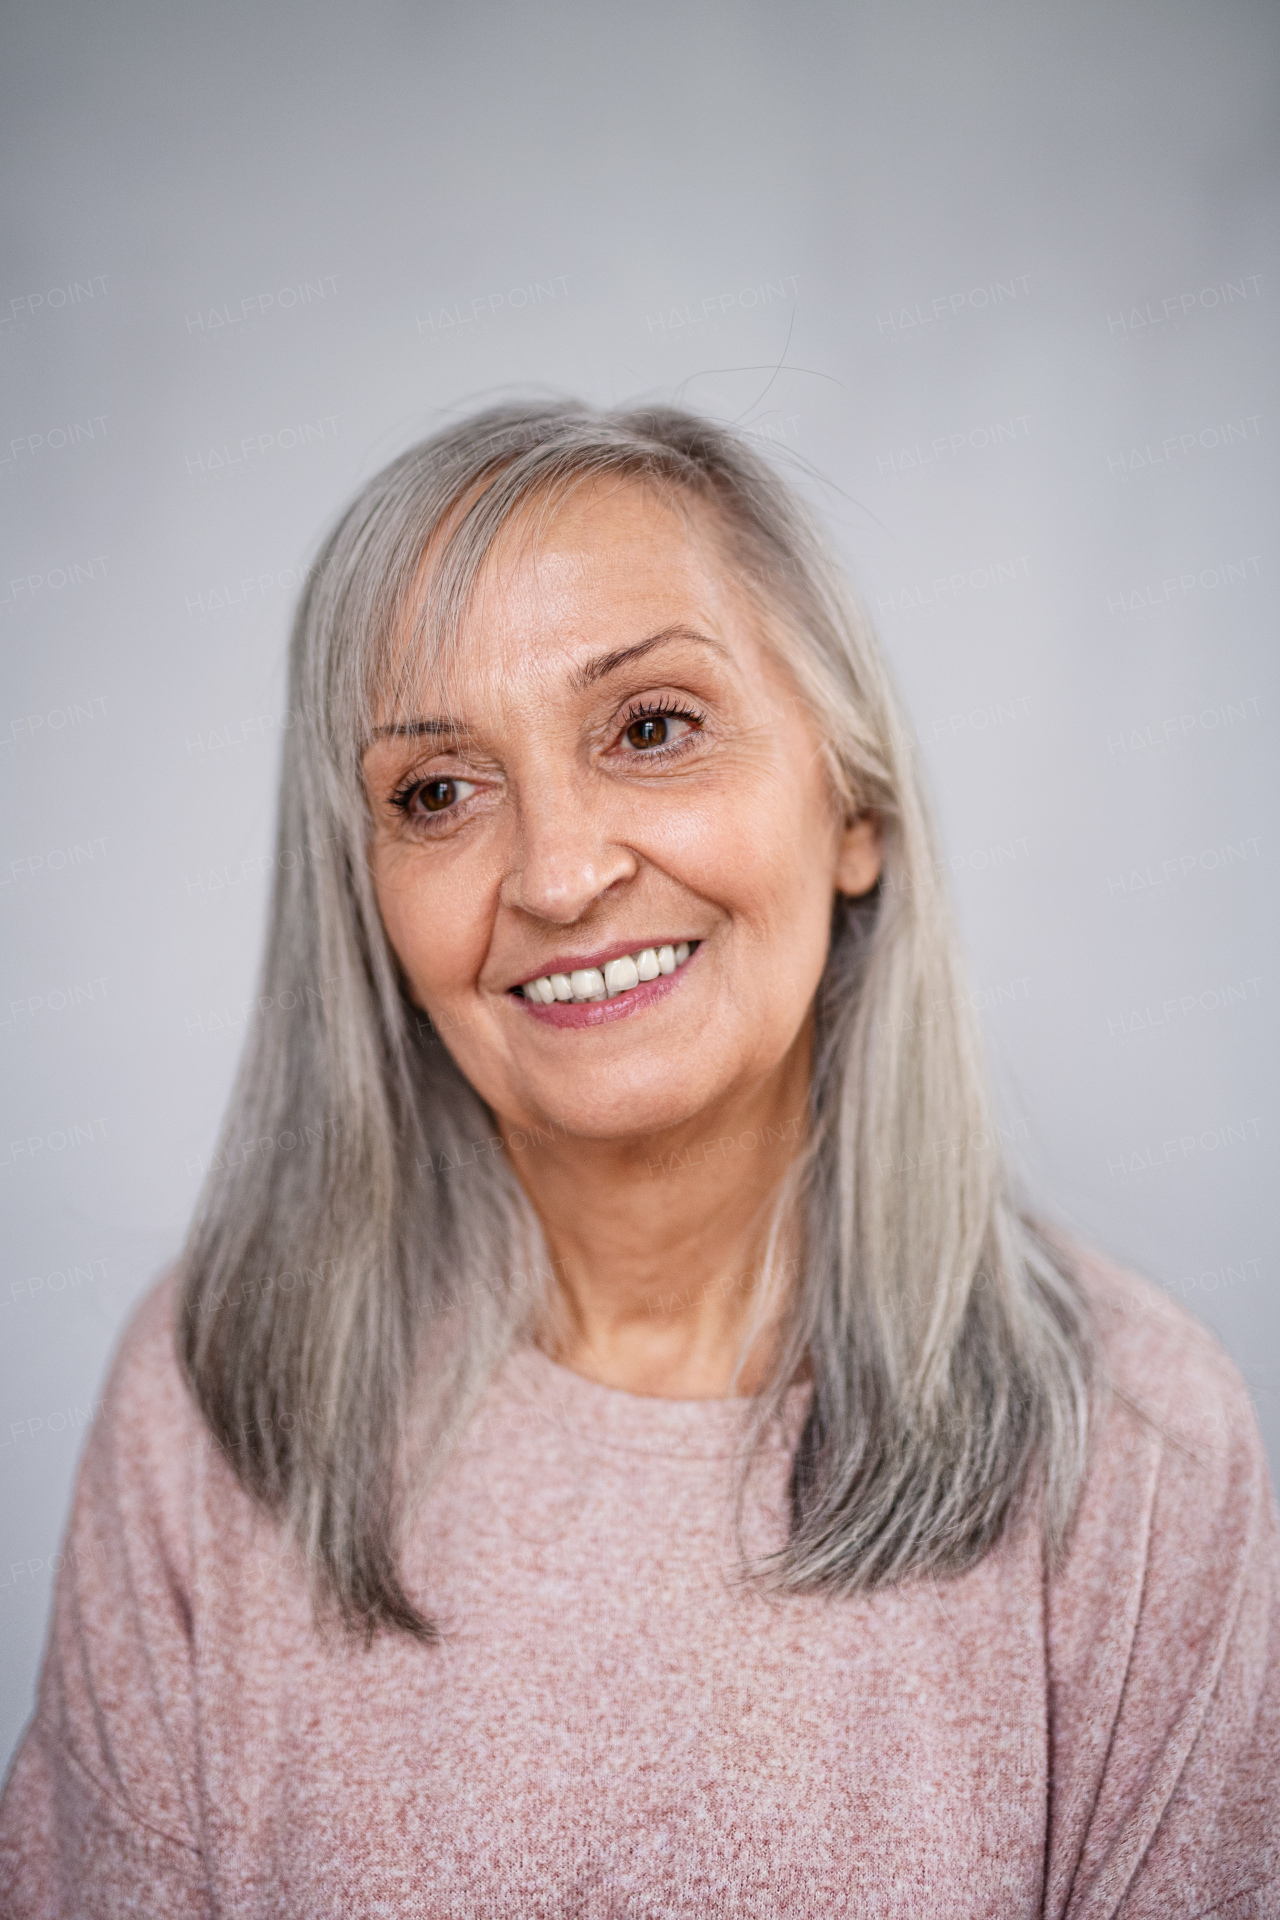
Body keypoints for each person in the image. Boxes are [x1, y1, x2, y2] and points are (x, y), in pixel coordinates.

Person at [2, 403, 1276, 1917]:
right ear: (364, 897)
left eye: (652, 727)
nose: (556, 872)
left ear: (852, 805)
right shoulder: (216, 1395)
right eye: (435, 792)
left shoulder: (1141, 1446)